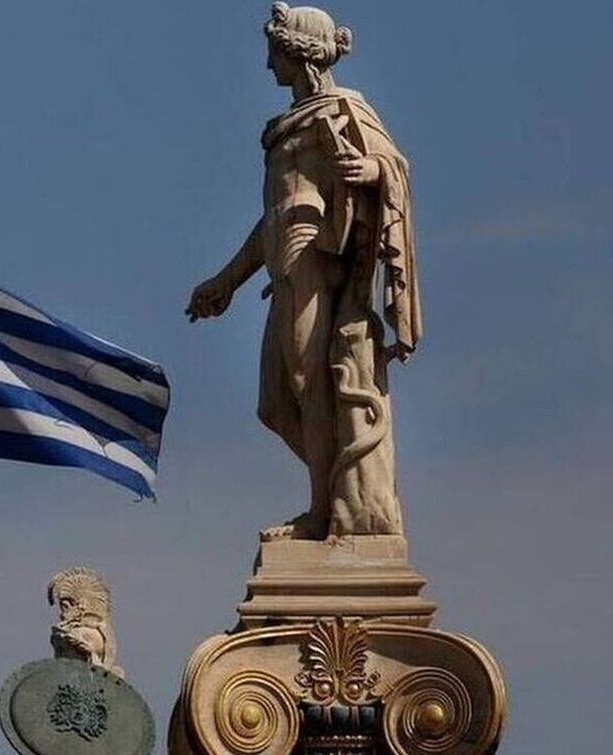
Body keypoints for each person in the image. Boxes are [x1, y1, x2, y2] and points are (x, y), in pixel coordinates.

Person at [186, 3, 421, 540]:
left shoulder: (341, 110)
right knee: (275, 402)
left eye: (274, 52)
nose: (269, 64)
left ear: (297, 51)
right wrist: (226, 280)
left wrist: (368, 169)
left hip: (312, 257)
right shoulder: (287, 126)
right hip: (283, 260)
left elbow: (393, 168)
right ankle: (335, 492)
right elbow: (274, 215)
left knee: (308, 383)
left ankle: (326, 510)